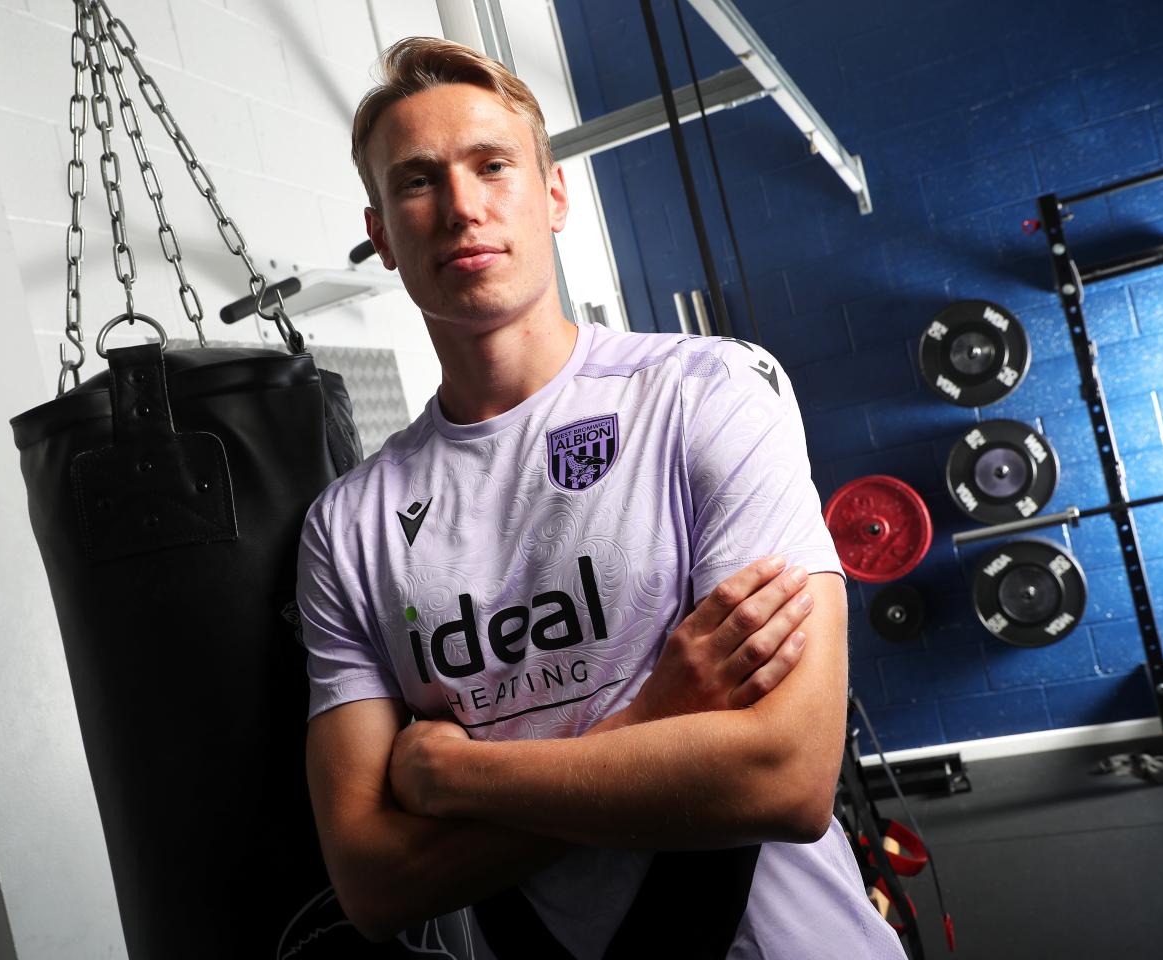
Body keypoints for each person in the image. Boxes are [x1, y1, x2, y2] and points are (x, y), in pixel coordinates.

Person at [296, 36, 905, 959]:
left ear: (552, 194)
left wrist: (459, 781)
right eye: (416, 182)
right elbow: (375, 883)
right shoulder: (347, 529)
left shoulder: (710, 391)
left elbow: (786, 776)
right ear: (381, 232)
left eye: (492, 166)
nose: (462, 207)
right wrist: (656, 718)